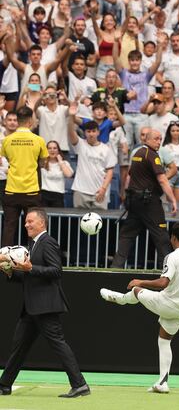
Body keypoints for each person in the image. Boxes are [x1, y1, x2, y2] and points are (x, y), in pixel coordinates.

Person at [101, 221, 179, 393]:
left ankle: (119, 299)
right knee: (164, 340)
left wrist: (140, 280)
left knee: (137, 290)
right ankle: (162, 382)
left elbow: (163, 282)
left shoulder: (173, 256)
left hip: (168, 304)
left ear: (173, 237)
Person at [0, 208, 90, 398]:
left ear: (42, 223)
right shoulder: (32, 245)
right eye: (26, 222)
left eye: (30, 221)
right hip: (31, 307)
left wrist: (30, 268)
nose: (26, 224)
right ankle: (4, 385)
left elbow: (56, 271)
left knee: (58, 344)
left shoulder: (48, 242)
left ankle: (80, 384)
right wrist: (10, 273)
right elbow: (28, 276)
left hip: (45, 305)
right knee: (19, 347)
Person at [111, 129, 177, 269]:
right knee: (162, 238)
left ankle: (115, 269)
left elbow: (130, 176)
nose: (159, 142)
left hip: (134, 201)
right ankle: (167, 273)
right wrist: (173, 200)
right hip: (149, 202)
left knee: (127, 236)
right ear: (146, 139)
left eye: (160, 139)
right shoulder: (152, 155)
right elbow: (163, 179)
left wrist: (125, 193)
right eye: (155, 139)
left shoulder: (137, 153)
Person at [1, 106, 48, 247]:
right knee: (34, 229)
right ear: (30, 121)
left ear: (18, 121)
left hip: (11, 190)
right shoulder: (38, 140)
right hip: (31, 191)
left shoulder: (7, 140)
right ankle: (32, 263)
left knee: (9, 228)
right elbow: (43, 162)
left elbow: (7, 160)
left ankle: (4, 265)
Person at [68, 104, 116, 210]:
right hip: (81, 190)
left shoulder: (106, 149)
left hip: (99, 192)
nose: (91, 134)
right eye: (88, 131)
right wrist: (71, 117)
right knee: (79, 223)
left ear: (98, 132)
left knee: (99, 223)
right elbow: (71, 132)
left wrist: (103, 189)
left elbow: (110, 171)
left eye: (93, 131)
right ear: (84, 132)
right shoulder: (80, 144)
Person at [40, 141, 74, 208]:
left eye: (55, 148)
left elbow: (69, 174)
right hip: (44, 194)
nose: (52, 150)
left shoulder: (64, 163)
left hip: (58, 195)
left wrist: (60, 161)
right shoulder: (42, 163)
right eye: (49, 148)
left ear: (58, 150)